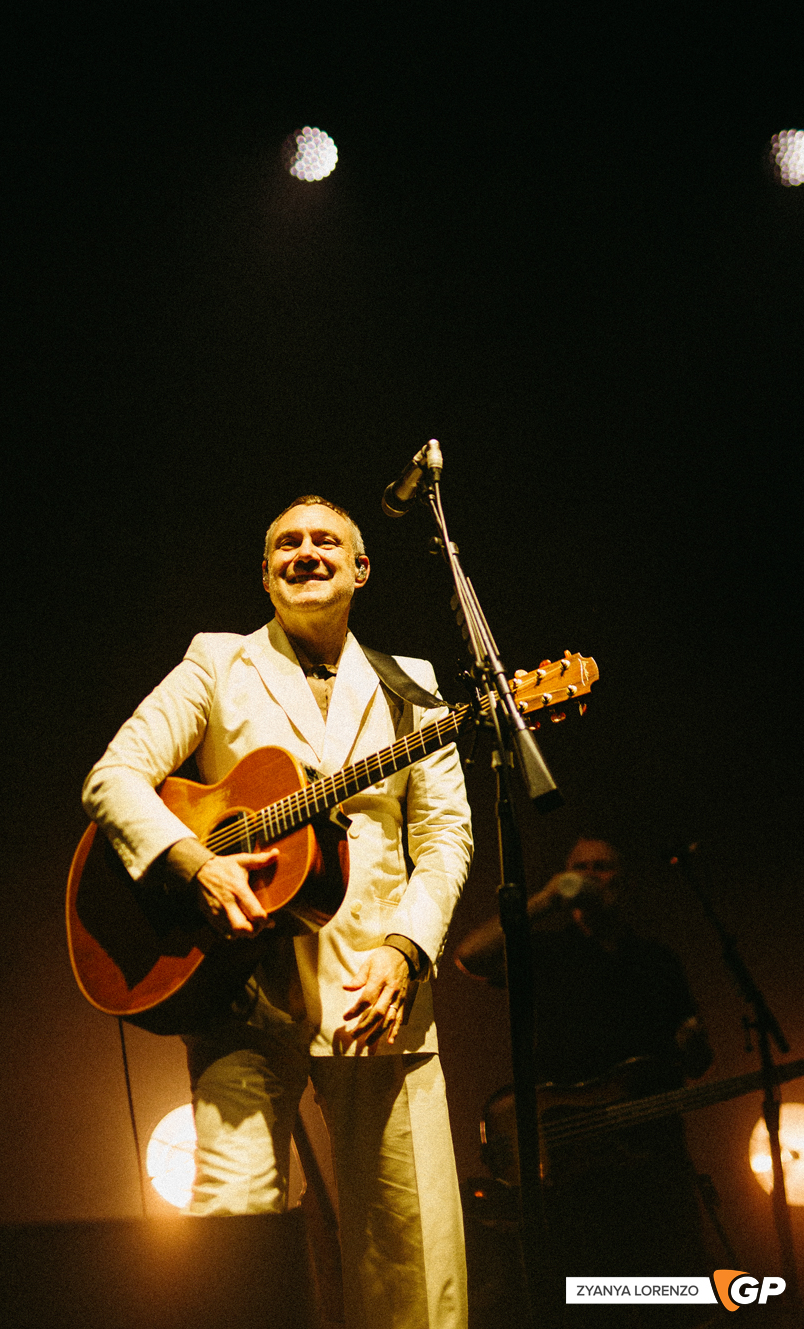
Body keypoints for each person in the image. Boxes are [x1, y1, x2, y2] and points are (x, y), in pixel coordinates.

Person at [82, 495, 473, 1329]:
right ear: (264, 574)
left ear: (361, 569)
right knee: (233, 1239)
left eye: (325, 541)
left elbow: (445, 838)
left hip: (377, 989)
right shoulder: (217, 662)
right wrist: (191, 862)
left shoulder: (415, 685)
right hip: (239, 986)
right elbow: (112, 777)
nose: (305, 552)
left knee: (410, 1256)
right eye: (284, 544)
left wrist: (406, 952)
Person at [456, 838, 713, 1324]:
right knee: (585, 1301)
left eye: (605, 867)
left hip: (653, 1163)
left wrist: (694, 1045)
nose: (594, 876)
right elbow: (470, 955)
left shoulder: (658, 961)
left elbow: (695, 1064)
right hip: (573, 1176)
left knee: (672, 1298)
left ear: (624, 878)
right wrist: (547, 898)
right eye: (582, 868)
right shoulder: (548, 953)